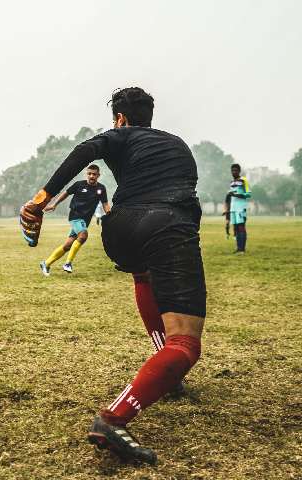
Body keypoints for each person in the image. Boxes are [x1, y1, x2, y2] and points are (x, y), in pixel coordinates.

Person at [19, 87, 205, 464]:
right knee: (185, 345)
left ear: (119, 119)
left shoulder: (119, 135)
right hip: (167, 224)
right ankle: (114, 418)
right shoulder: (177, 144)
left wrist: (39, 201)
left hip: (120, 229)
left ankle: (164, 371)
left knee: (144, 277)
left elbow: (84, 150)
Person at [40, 164, 110, 275]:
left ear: (98, 175)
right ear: (86, 174)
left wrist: (110, 216)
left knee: (67, 245)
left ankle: (46, 263)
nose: (91, 176)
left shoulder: (101, 188)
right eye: (89, 174)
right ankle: (68, 263)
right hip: (75, 216)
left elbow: (105, 204)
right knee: (83, 236)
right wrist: (54, 205)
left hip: (84, 221)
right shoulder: (79, 185)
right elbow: (65, 194)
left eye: (94, 174)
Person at [228, 164, 251, 253]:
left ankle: (242, 249)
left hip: (241, 208)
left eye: (236, 170)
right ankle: (238, 248)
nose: (234, 172)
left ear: (239, 171)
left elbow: (248, 194)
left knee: (241, 227)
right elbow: (231, 196)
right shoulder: (231, 182)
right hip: (233, 209)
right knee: (235, 228)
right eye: (232, 170)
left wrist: (236, 195)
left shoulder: (243, 180)